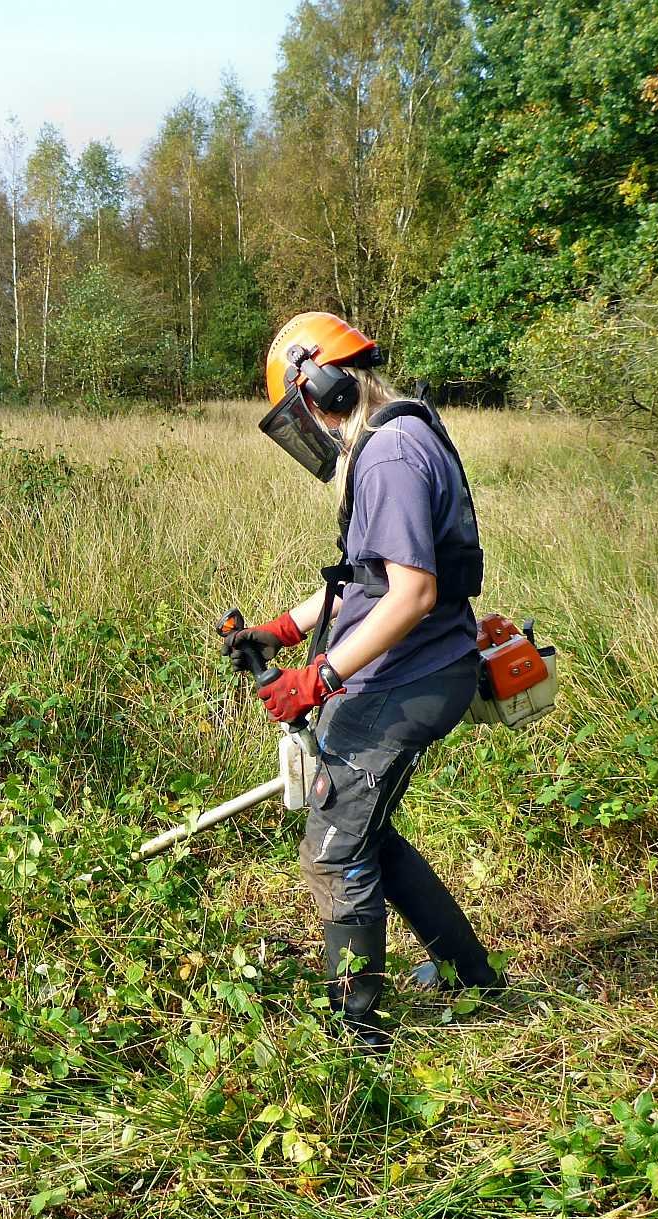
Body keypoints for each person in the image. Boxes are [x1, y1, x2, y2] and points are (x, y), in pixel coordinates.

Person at [225, 312, 501, 1050]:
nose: (307, 429)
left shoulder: (387, 457)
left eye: (302, 409)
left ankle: (359, 1030)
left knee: (334, 846)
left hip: (405, 679)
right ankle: (474, 977)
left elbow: (410, 594)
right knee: (368, 833)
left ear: (323, 385)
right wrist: (282, 629)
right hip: (411, 668)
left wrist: (321, 674)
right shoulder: (398, 437)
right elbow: (366, 580)